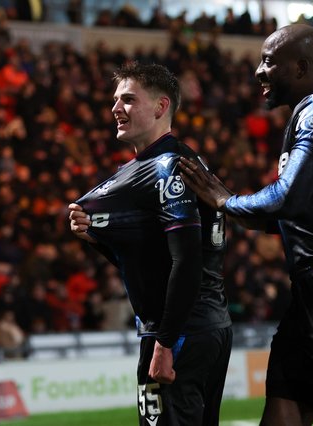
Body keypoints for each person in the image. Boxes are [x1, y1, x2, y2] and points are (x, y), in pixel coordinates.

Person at [179, 24, 313, 425]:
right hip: (311, 293)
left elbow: (286, 198)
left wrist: (227, 201)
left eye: (268, 61)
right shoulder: (310, 114)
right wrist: (230, 206)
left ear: (299, 67)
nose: (259, 71)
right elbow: (290, 213)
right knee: (283, 408)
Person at [68, 62, 232, 426]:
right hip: (202, 327)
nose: (115, 109)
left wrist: (166, 342)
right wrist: (95, 237)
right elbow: (147, 258)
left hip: (179, 332)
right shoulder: (175, 163)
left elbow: (187, 260)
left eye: (128, 100)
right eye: (114, 100)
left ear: (160, 107)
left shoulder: (167, 168)